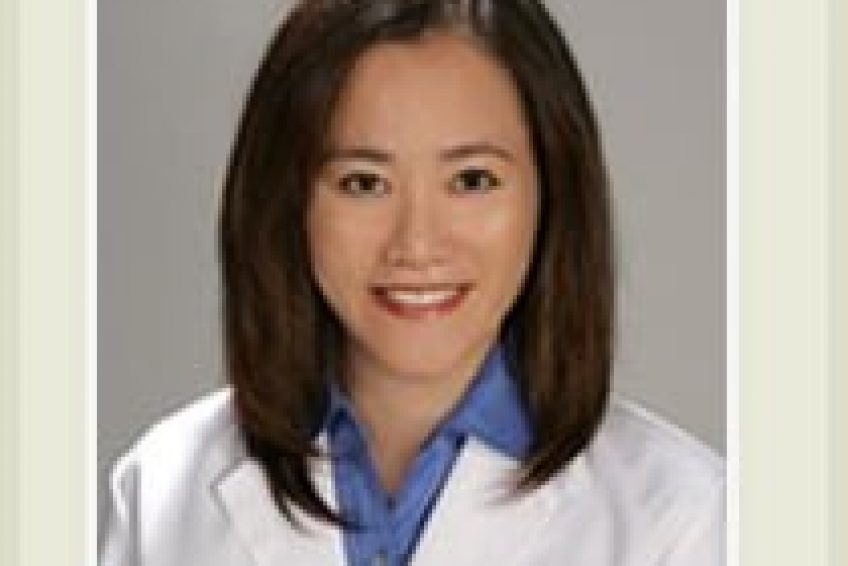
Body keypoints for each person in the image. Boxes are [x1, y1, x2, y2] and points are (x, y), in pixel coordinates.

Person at [101, 1, 724, 564]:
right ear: (285, 201)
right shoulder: (163, 492)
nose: (417, 244)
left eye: (472, 180)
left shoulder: (684, 519)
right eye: (363, 183)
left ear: (552, 193)